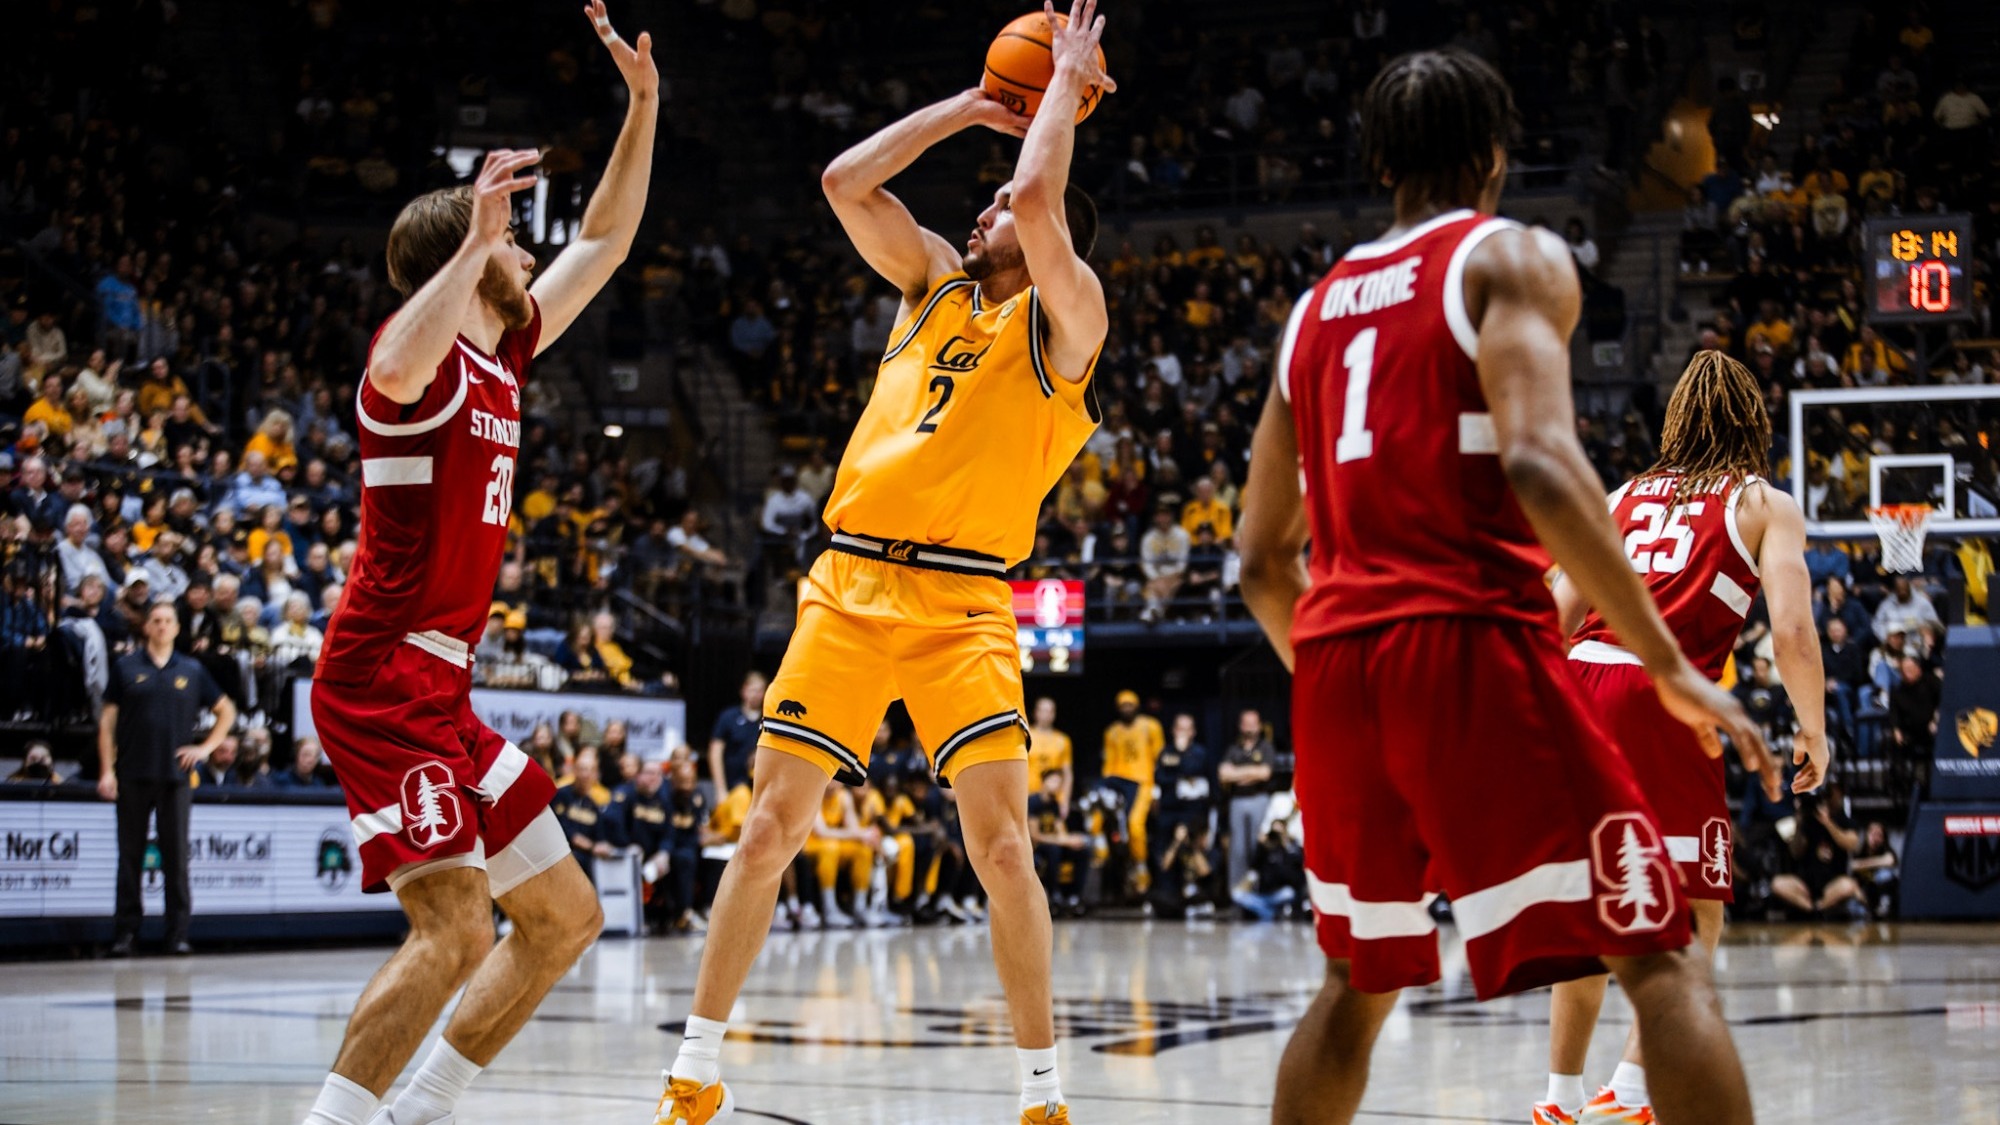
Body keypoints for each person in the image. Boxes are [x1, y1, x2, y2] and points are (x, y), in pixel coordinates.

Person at [1236, 48, 1764, 1125]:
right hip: (1466, 638)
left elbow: (1255, 562)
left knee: (1353, 986)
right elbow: (1537, 462)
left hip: (1333, 661)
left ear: (1379, 160)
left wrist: (1347, 683)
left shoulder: (1311, 311)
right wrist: (1665, 665)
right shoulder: (1506, 258)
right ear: (1491, 156)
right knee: (1659, 956)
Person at [655, 5, 1114, 1120]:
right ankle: (693, 1070)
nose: (987, 202)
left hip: (962, 603)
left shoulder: (1069, 324)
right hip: (849, 583)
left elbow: (1045, 198)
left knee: (1002, 852)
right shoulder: (932, 287)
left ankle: (1041, 1091)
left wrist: (1058, 91)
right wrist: (972, 107)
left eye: (999, 198)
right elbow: (842, 183)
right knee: (766, 829)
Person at [298, 8, 658, 1124]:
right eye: (509, 241)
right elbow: (402, 355)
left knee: (562, 916)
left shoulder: (503, 352)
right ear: (461, 260)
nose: (527, 253)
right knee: (455, 927)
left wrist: (643, 107)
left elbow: (603, 241)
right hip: (379, 677)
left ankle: (421, 1109)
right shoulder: (409, 373)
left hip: (442, 687)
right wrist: (469, 239)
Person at [1538, 350, 1828, 1124]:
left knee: (1601, 902)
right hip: (1663, 689)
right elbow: (1793, 629)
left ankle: (1560, 1099)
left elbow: (1557, 613)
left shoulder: (1623, 492)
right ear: (1752, 422)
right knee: (1697, 905)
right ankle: (1633, 1090)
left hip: (1584, 683)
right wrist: (1815, 728)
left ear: (1677, 421)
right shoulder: (1764, 502)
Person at [98, 601, 237, 956]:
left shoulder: (191, 669)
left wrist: (205, 749)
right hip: (131, 774)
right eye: (156, 621)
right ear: (147, 627)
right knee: (129, 858)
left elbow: (227, 711)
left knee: (176, 859)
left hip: (176, 778)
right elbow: (107, 724)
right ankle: (126, 934)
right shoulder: (125, 667)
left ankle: (177, 935)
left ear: (177, 628)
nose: (161, 626)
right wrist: (106, 771)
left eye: (167, 621)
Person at [1100, 689, 1163, 891]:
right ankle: (1100, 853)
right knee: (1097, 814)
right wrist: (1105, 788)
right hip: (1119, 782)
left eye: (1130, 705)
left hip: (1144, 782)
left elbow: (1159, 759)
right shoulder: (1112, 732)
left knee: (1135, 825)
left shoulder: (1150, 727)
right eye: (1123, 706)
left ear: (1137, 706)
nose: (1127, 709)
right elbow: (1108, 765)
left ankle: (1141, 867)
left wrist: (1157, 789)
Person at [1218, 708, 1278, 892]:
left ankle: (1258, 891)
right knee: (1238, 849)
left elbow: (1265, 773)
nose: (1250, 728)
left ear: (1259, 726)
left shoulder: (1265, 747)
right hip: (1238, 801)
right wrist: (1252, 772)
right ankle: (1237, 893)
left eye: (1253, 724)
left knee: (1256, 846)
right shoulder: (1233, 749)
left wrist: (1238, 773)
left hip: (1259, 799)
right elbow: (1223, 774)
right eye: (1246, 723)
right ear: (1240, 726)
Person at [705, 671, 766, 796]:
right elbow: (715, 753)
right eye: (753, 690)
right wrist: (720, 790)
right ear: (744, 691)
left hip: (759, 790)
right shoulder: (728, 717)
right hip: (732, 788)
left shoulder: (768, 720)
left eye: (760, 691)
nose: (756, 695)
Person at [1025, 696, 1073, 810]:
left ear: (1054, 714)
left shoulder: (1062, 740)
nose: (1046, 714)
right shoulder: (1026, 736)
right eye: (1042, 710)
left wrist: (1064, 800)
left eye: (1050, 711)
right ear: (1035, 712)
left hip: (1053, 798)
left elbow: (1067, 774)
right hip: (1028, 795)